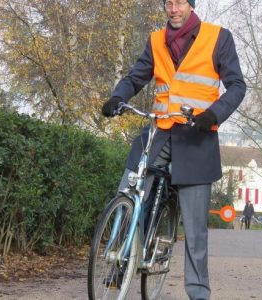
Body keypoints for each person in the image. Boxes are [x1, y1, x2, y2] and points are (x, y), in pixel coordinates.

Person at [101, 0, 246, 299]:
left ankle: (198, 293)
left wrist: (214, 114)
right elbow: (136, 77)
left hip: (196, 137)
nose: (174, 9)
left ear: (191, 6)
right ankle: (119, 265)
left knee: (194, 230)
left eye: (180, 2)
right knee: (128, 192)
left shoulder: (219, 37)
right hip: (158, 133)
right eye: (169, 3)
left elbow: (236, 86)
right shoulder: (156, 40)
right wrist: (117, 97)